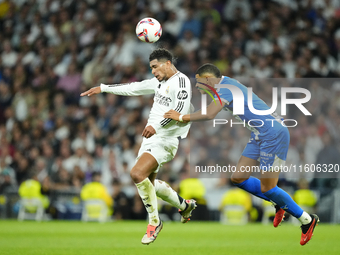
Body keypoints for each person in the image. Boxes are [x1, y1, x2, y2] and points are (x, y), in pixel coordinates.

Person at [164, 63, 319, 246]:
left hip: (273, 133)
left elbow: (210, 114)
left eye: (198, 83)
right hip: (259, 133)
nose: (197, 87)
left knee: (269, 188)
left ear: (208, 79)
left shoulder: (226, 88)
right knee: (238, 178)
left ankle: (307, 220)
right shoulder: (226, 86)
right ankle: (278, 202)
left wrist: (181, 117)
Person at [80, 48, 196, 245]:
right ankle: (184, 206)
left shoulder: (181, 82)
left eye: (155, 67)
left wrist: (156, 126)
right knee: (147, 184)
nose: (153, 71)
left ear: (167, 63)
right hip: (150, 138)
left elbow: (179, 112)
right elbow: (133, 88)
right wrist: (104, 87)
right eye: (151, 68)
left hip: (166, 140)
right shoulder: (159, 82)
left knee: (136, 174)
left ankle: (154, 222)